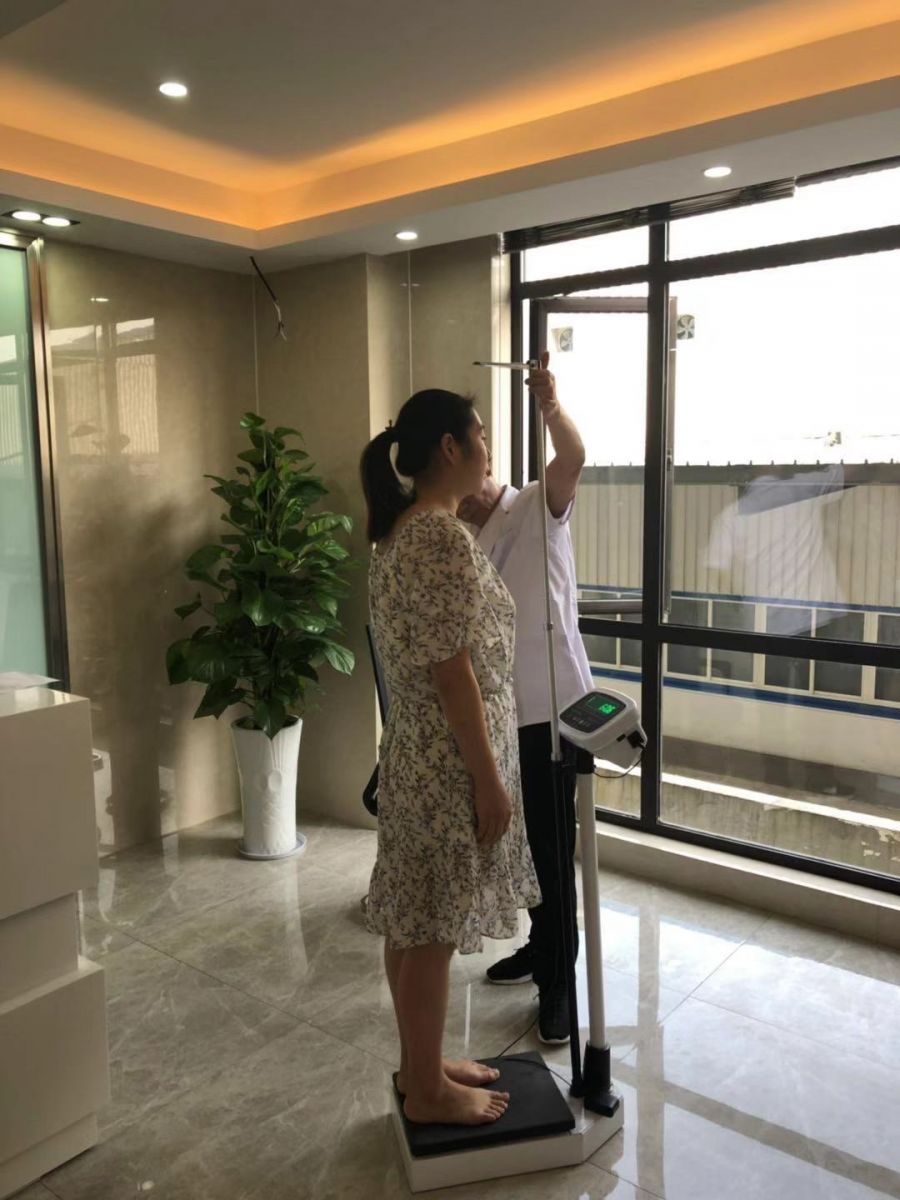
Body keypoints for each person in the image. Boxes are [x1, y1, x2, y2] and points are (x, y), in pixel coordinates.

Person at [359, 389, 541, 1128]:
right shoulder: (436, 536)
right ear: (449, 448)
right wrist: (489, 784)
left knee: (412, 919)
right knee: (431, 929)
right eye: (481, 435)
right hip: (444, 766)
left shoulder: (406, 530)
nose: (488, 450)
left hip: (418, 754)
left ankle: (421, 1066)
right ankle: (429, 1091)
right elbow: (452, 673)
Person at [457, 352, 590, 1046]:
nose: (464, 496)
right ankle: (541, 948)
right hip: (502, 718)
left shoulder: (540, 503)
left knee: (551, 853)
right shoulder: (463, 542)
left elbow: (574, 455)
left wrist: (550, 406)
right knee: (525, 851)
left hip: (554, 713)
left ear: (484, 464)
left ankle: (560, 985)